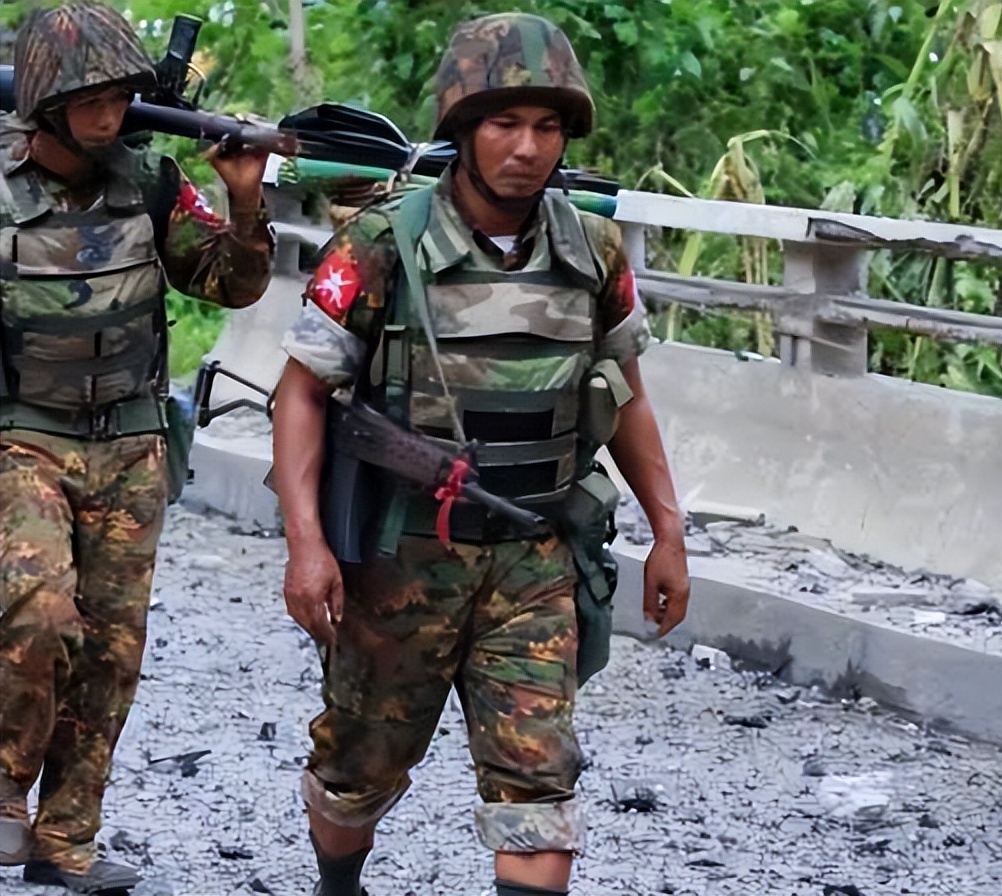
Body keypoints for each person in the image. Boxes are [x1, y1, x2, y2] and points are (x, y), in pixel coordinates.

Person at [271, 12, 690, 896]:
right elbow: (302, 394)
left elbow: (627, 394)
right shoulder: (385, 242)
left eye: (546, 127)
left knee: (539, 782)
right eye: (504, 123)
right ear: (463, 128)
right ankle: (337, 886)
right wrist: (307, 544)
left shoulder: (591, 248)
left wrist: (669, 530)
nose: (527, 147)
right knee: (358, 769)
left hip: (535, 556)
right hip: (402, 557)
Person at [0, 3, 274, 892]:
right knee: (38, 615)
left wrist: (243, 198)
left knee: (114, 651)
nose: (112, 113)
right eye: (91, 97)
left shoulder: (151, 184)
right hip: (20, 438)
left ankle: (66, 837)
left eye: (122, 94)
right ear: (45, 102)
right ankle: (4, 790)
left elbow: (229, 285)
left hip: (130, 446)